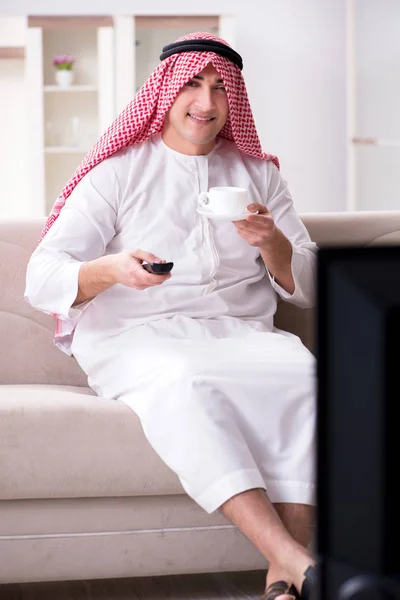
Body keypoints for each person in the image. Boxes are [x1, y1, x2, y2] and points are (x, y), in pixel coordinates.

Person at [25, 31, 317, 600]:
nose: (205, 103)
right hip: (138, 333)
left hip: (240, 332)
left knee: (306, 375)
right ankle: (294, 559)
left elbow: (306, 282)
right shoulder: (118, 171)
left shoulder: (260, 176)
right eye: (191, 85)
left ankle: (285, 582)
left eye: (219, 89)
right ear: (162, 92)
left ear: (234, 100)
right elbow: (42, 275)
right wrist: (111, 270)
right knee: (185, 378)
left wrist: (271, 243)